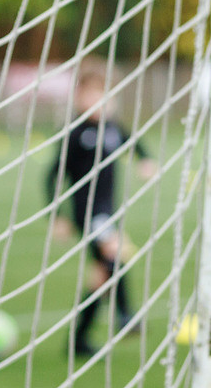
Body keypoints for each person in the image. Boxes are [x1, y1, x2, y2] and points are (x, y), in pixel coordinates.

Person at [45, 61, 156, 358]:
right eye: (93, 96)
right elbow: (52, 175)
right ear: (79, 98)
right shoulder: (75, 132)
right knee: (116, 251)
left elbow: (133, 142)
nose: (101, 103)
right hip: (88, 212)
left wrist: (145, 160)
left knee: (101, 276)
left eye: (107, 97)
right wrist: (56, 216)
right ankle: (125, 315)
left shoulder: (112, 127)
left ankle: (78, 341)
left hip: (109, 211)